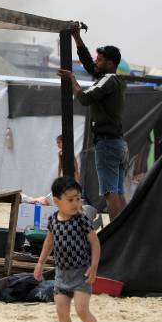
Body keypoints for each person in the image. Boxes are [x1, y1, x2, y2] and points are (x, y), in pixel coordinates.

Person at [34, 176, 109, 322]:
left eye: (78, 198)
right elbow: (49, 241)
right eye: (70, 199)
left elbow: (95, 243)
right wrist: (40, 262)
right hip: (61, 275)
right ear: (57, 201)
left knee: (82, 310)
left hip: (81, 273)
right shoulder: (53, 220)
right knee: (61, 310)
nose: (76, 203)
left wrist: (94, 267)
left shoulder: (82, 220)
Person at [57, 32, 128, 219]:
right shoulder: (116, 81)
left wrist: (72, 80)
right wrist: (77, 38)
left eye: (100, 59)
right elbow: (90, 65)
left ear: (111, 64)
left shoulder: (108, 80)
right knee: (119, 193)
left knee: (110, 193)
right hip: (118, 143)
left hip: (107, 144)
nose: (96, 61)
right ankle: (125, 233)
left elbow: (85, 98)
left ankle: (117, 236)